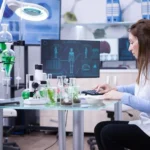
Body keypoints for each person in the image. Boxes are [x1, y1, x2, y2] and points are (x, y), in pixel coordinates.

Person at [94, 19, 150, 150]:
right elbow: (139, 87)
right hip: (145, 125)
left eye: (131, 43)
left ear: (145, 42)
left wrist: (121, 95)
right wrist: (114, 89)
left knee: (108, 133)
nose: (130, 48)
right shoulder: (146, 66)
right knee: (100, 128)